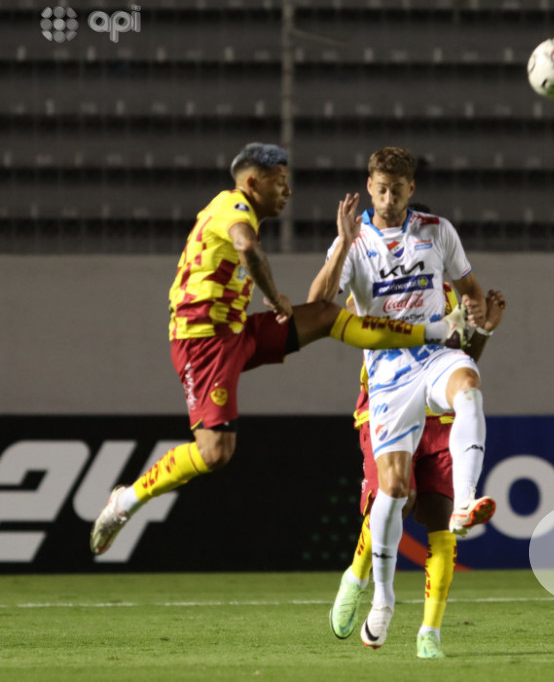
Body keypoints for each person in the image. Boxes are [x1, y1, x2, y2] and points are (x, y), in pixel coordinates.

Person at [89, 143, 468, 556]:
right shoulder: (232, 207)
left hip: (236, 331)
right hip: (203, 342)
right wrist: (272, 295)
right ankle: (126, 501)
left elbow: (314, 295)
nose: (287, 191)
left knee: (324, 315)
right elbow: (246, 247)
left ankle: (431, 332)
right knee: (215, 453)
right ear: (253, 182)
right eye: (280, 181)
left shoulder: (238, 210)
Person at [308, 147, 496, 649]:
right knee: (391, 493)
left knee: (470, 390)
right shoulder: (356, 241)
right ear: (368, 187)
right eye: (380, 188)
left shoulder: (438, 231)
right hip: (387, 379)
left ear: (411, 189)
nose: (389, 198)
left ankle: (467, 501)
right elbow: (317, 305)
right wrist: (345, 244)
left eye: (398, 189)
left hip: (435, 358)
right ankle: (380, 599)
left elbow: (472, 292)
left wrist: (481, 318)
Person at [330, 287, 507, 659]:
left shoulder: (446, 291)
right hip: (387, 409)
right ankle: (357, 578)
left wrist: (483, 331)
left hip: (438, 419)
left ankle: (430, 633)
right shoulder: (379, 278)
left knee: (443, 524)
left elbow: (458, 359)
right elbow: (354, 319)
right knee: (395, 497)